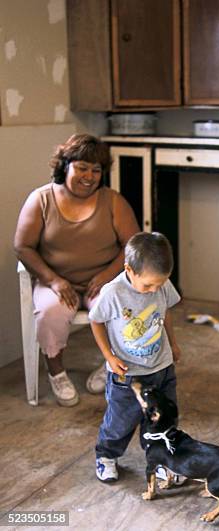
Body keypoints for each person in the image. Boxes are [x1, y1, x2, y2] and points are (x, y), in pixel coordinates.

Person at [14, 134, 140, 406]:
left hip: (102, 280)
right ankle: (56, 372)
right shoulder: (41, 199)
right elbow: (23, 247)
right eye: (82, 167)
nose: (89, 176)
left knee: (120, 308)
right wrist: (54, 280)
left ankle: (110, 365)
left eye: (96, 170)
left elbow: (132, 244)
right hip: (56, 282)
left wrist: (107, 275)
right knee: (50, 312)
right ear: (65, 166)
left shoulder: (113, 201)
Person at [88, 232, 182, 483]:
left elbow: (165, 313)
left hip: (161, 367)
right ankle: (106, 455)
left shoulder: (161, 285)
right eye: (148, 285)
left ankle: (160, 459)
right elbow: (96, 321)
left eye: (160, 284)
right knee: (121, 420)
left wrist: (172, 343)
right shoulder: (114, 292)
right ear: (129, 269)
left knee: (164, 417)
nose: (154, 290)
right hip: (127, 374)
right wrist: (109, 356)